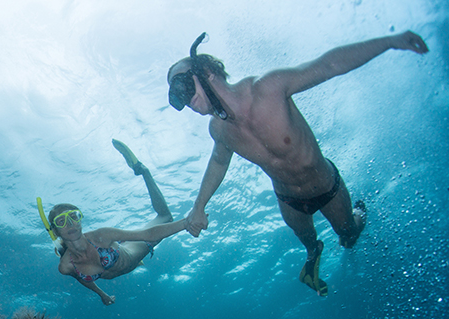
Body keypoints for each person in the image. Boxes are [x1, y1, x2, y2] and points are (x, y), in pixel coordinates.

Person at [167, 30, 429, 296]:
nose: (184, 99)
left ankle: (358, 215)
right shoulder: (220, 131)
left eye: (183, 86)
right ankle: (313, 256)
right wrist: (198, 207)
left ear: (208, 71)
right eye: (177, 95)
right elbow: (218, 162)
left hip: (327, 187)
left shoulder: (267, 89)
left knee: (348, 236)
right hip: (289, 201)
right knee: (310, 243)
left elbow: (329, 65)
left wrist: (390, 42)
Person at [47, 140, 188, 305]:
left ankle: (143, 171)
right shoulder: (65, 266)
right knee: (163, 220)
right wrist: (102, 294)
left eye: (74, 216)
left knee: (165, 217)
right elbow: (82, 278)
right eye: (61, 221)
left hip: (131, 252)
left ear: (80, 220)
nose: (70, 223)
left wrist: (186, 222)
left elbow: (147, 234)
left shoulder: (101, 236)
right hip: (117, 250)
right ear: (55, 230)